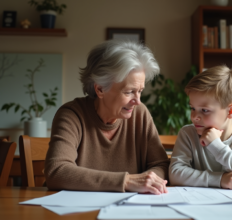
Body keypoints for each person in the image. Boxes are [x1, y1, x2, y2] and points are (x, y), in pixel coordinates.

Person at [45, 40, 169, 195]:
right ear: (100, 89)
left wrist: (151, 180)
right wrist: (126, 181)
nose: (137, 101)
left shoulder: (140, 113)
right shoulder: (72, 115)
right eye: (129, 91)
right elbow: (57, 171)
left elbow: (161, 164)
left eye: (140, 91)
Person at [169, 65, 232, 189]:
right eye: (193, 108)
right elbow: (175, 174)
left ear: (230, 111)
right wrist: (219, 180)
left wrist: (216, 146)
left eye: (204, 110)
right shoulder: (187, 134)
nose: (194, 117)